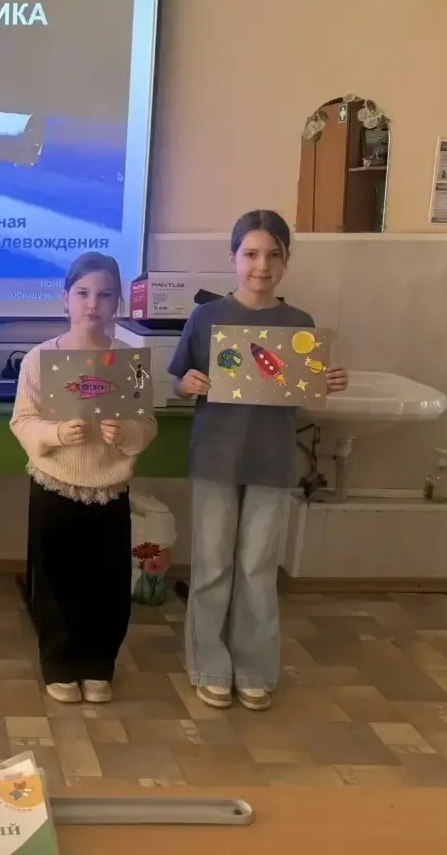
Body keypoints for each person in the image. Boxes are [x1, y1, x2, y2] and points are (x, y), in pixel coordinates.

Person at [168, 209, 348, 711]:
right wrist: (188, 384)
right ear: (233, 258)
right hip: (216, 458)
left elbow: (304, 391)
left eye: (273, 255)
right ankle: (210, 666)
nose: (261, 266)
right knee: (212, 566)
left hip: (272, 462)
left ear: (287, 261)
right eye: (250, 254)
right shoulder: (206, 318)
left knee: (257, 567)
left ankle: (253, 668)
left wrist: (327, 382)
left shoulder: (299, 325)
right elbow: (178, 380)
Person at [9, 251, 158, 704]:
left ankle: (98, 664)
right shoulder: (39, 359)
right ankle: (59, 664)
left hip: (108, 489)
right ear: (66, 299)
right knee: (56, 580)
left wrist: (127, 433)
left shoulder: (131, 361)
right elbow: (22, 420)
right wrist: (55, 433)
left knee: (107, 582)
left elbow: (147, 423)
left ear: (118, 301)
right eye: (83, 293)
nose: (93, 304)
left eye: (105, 295)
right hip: (55, 485)